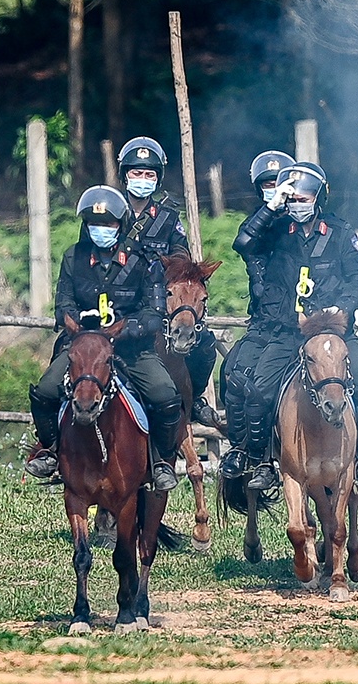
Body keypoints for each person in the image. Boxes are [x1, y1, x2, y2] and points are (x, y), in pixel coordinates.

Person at [226, 163, 358, 490]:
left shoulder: (341, 234)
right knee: (259, 389)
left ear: (319, 197)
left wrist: (342, 307)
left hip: (332, 331)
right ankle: (261, 462)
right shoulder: (275, 230)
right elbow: (243, 243)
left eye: (305, 197)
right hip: (287, 332)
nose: (299, 203)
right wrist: (271, 207)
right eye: (293, 198)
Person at [25, 185, 184, 491]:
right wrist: (73, 321)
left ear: (120, 225)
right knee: (45, 390)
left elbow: (154, 313)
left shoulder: (143, 261)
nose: (101, 230)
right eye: (94, 224)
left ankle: (162, 462)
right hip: (84, 346)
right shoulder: (73, 257)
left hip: (131, 349)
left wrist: (127, 328)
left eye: (108, 225)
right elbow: (63, 303)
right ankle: (49, 450)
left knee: (165, 395)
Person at [115, 137, 217, 421]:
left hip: (161, 302)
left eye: (149, 174)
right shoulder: (109, 210)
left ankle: (194, 400)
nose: (143, 179)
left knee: (205, 342)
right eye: (137, 173)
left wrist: (171, 269)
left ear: (157, 179)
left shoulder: (168, 217)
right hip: (117, 304)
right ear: (125, 175)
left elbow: (182, 255)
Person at [219, 149, 294, 484]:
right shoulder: (258, 225)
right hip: (263, 324)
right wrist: (271, 207)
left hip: (299, 326)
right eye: (266, 184)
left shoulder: (299, 226)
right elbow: (243, 241)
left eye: (278, 184)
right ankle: (242, 450)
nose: (271, 188)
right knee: (231, 373)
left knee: (263, 387)